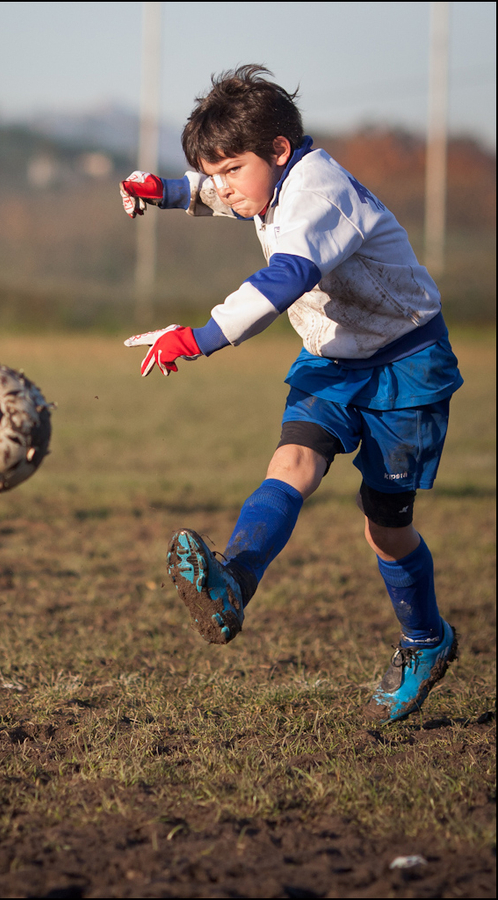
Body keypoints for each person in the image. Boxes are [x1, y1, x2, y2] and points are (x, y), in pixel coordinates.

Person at [120, 65, 462, 724]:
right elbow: (218, 192)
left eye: (232, 169)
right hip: (331, 359)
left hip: (407, 366)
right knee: (292, 465)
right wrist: (162, 190)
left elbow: (283, 282)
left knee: (386, 529)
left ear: (279, 150)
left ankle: (427, 640)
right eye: (215, 170)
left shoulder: (318, 192)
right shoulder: (267, 179)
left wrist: (197, 338)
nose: (224, 185)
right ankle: (234, 582)